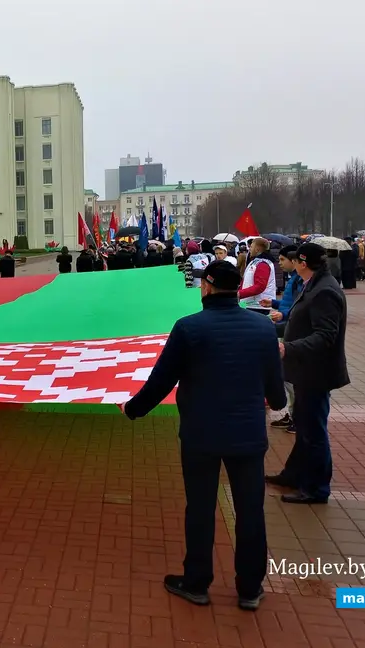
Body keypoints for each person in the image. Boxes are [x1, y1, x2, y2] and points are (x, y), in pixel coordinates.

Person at [122, 260, 285, 611]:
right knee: (250, 511)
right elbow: (278, 391)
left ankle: (196, 582)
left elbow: (161, 381)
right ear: (236, 287)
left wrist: (133, 409)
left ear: (207, 287)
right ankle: (250, 588)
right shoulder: (262, 329)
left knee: (199, 508)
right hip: (248, 436)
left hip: (201, 435)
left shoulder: (189, 328)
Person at [268, 243, 349, 505]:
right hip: (305, 370)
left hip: (316, 372)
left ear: (302, 263)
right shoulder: (313, 283)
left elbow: (325, 336)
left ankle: (316, 489)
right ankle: (294, 475)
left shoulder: (324, 291)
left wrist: (287, 348)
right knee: (304, 425)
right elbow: (298, 322)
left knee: (313, 432)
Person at [262, 247, 301, 432]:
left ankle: (297, 416)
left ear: (294, 261)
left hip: (290, 329)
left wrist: (282, 314)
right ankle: (292, 414)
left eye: (283, 259)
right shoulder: (293, 279)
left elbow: (298, 307)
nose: (280, 263)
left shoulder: (299, 281)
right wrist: (275, 304)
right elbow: (290, 303)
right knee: (285, 374)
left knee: (289, 376)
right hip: (287, 325)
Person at [238, 238, 276, 314]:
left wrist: (239, 294)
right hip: (248, 303)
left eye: (251, 247)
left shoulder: (263, 264)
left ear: (257, 249)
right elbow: (246, 281)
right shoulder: (254, 262)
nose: (249, 249)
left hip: (258, 305)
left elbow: (260, 286)